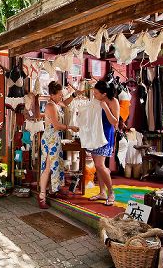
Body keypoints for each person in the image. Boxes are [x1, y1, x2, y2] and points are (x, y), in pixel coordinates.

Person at [38, 81, 79, 209]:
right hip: (50, 139)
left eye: (62, 94)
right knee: (48, 166)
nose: (61, 96)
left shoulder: (56, 103)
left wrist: (74, 95)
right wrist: (70, 127)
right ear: (52, 95)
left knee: (55, 165)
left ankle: (52, 190)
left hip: (54, 138)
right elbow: (56, 125)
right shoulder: (50, 106)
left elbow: (65, 103)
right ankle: (42, 196)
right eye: (60, 94)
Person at [87, 80, 120, 206]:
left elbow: (114, 122)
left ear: (104, 94)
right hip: (95, 135)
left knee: (100, 165)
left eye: (96, 93)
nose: (94, 95)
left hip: (106, 135)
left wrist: (106, 108)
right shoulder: (96, 101)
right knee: (97, 165)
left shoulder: (113, 101)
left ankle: (111, 192)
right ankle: (102, 192)